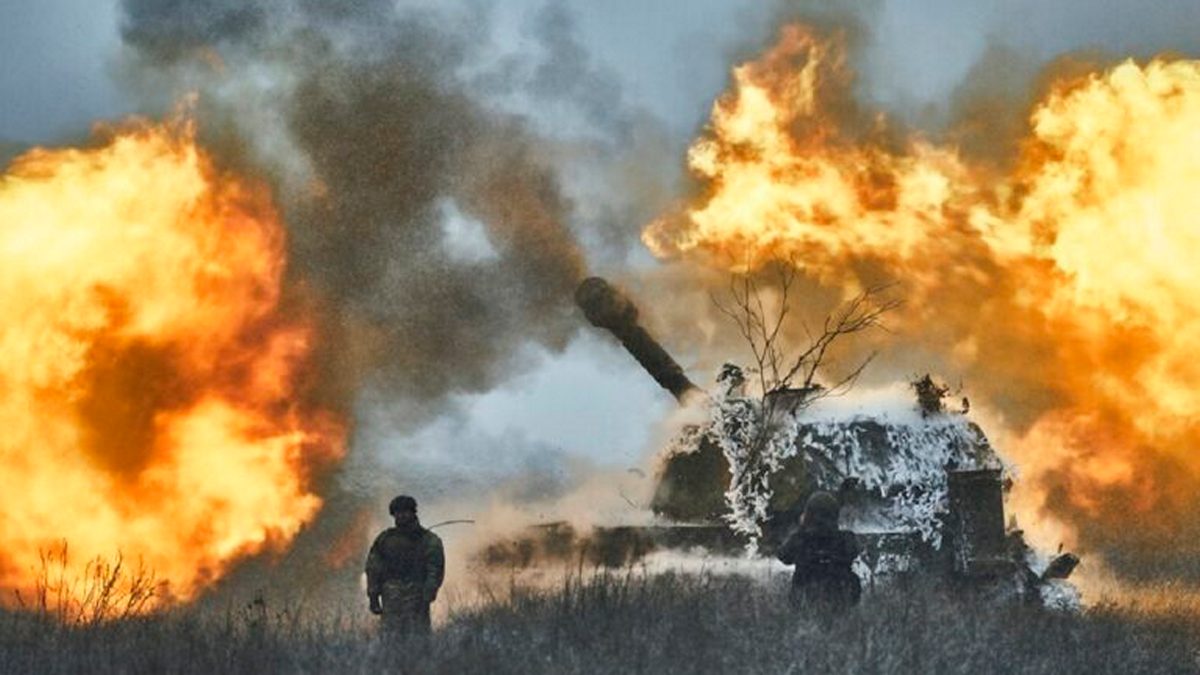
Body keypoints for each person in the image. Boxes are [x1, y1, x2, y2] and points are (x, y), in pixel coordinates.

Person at [365, 495, 445, 635]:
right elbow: (373, 569)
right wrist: (373, 597)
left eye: (404, 512)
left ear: (413, 513)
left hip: (417, 596)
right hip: (391, 597)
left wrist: (429, 593)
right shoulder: (385, 539)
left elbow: (435, 569)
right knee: (391, 640)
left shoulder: (429, 540)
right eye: (397, 513)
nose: (400, 516)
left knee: (418, 639)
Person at [776, 491, 861, 614]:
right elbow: (855, 551)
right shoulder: (846, 539)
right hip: (840, 600)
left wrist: (802, 527)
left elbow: (783, 556)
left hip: (806, 601)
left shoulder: (800, 539)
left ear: (809, 514)